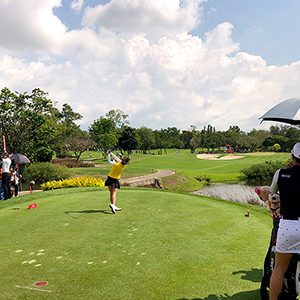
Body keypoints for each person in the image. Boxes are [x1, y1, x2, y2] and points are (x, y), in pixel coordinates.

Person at [269, 142, 300, 300]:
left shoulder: (281, 173)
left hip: (289, 225)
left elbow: (272, 194)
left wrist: (286, 176)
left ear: (292, 157)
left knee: (279, 268)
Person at [105, 150, 130, 214]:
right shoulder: (123, 166)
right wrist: (111, 154)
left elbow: (109, 161)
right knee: (114, 193)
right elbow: (117, 159)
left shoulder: (115, 165)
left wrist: (109, 154)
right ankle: (113, 205)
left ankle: (113, 205)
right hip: (115, 180)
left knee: (111, 193)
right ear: (127, 163)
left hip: (109, 178)